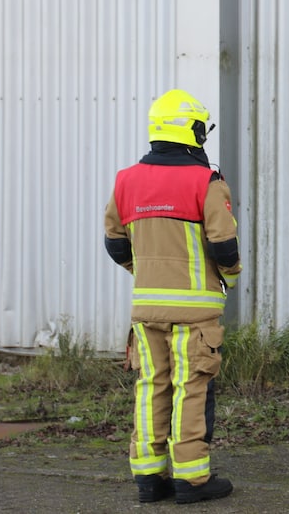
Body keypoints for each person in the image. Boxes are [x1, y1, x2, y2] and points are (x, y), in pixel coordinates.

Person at [103, 89, 240, 504]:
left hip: (146, 310)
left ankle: (148, 478)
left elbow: (114, 243)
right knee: (190, 387)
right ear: (192, 131)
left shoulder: (126, 180)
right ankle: (192, 479)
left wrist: (142, 273)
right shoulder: (206, 181)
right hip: (195, 312)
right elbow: (225, 247)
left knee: (151, 387)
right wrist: (228, 281)